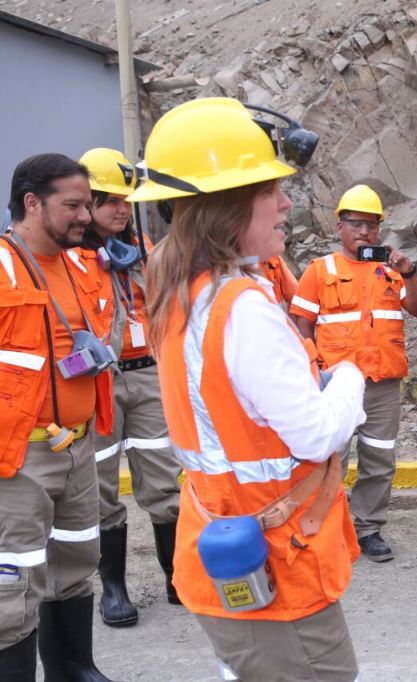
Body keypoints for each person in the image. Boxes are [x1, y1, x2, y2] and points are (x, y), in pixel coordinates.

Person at [133, 97, 367, 680]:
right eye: (269, 189)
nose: (286, 202)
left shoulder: (179, 286)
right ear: (225, 204)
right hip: (276, 560)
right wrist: (351, 380)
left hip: (222, 545)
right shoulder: (242, 307)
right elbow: (314, 432)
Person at [0, 153, 116, 681]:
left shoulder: (78, 266)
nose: (84, 217)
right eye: (72, 205)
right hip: (19, 456)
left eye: (87, 205)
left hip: (76, 445)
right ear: (32, 202)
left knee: (74, 562)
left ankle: (74, 670)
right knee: (13, 585)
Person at [290, 184, 417, 562]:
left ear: (379, 229)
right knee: (330, 458)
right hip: (335, 382)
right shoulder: (321, 270)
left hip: (382, 382)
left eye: (370, 225)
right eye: (355, 224)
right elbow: (301, 322)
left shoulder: (390, 270)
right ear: (340, 227)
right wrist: (314, 367)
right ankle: (326, 528)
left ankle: (368, 527)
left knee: (379, 456)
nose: (363, 232)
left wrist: (409, 272)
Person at [78, 147, 184, 629]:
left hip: (146, 373)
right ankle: (113, 590)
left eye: (126, 199)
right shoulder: (71, 257)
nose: (120, 209)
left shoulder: (141, 248)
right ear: (88, 203)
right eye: (108, 200)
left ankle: (175, 576)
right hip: (97, 380)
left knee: (163, 479)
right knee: (100, 486)